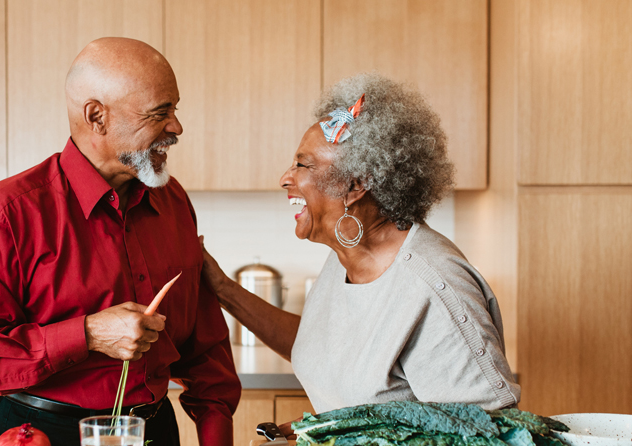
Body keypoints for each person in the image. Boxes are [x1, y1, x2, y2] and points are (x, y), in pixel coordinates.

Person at [0, 38, 240, 446]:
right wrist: (87, 334)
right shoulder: (3, 214)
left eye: (174, 109)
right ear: (96, 117)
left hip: (156, 438)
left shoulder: (174, 203)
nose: (176, 127)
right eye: (160, 113)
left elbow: (204, 350)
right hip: (40, 444)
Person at [200, 73, 517, 421]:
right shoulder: (346, 257)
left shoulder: (432, 286)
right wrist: (222, 288)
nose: (285, 178)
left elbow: (491, 435)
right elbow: (318, 347)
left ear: (356, 184)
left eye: (303, 165)